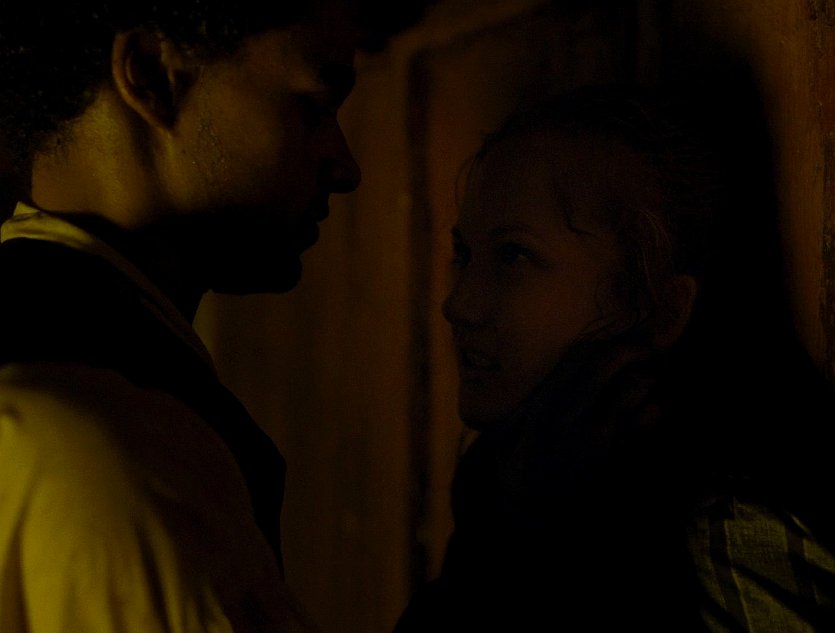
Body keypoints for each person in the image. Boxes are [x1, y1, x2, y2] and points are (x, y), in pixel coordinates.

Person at [393, 83, 835, 631]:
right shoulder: (517, 493)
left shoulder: (720, 536)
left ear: (660, 309)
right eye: (464, 254)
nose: (458, 304)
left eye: (514, 255)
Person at [0, 1, 371, 631]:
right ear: (152, 75)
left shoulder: (92, 351)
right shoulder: (95, 422)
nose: (346, 166)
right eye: (315, 106)